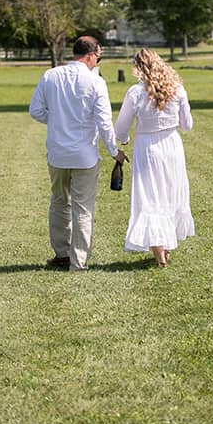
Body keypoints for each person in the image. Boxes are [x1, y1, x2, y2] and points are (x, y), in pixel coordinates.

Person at [29, 36, 127, 271]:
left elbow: (36, 111)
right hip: (84, 155)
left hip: (57, 152)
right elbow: (104, 123)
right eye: (98, 56)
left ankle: (62, 253)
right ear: (91, 55)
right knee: (82, 208)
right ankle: (78, 261)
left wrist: (57, 122)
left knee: (59, 203)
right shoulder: (95, 82)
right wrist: (114, 151)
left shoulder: (50, 76)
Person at [114, 49, 195, 268]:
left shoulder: (135, 93)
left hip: (147, 147)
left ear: (138, 67)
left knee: (150, 197)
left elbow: (121, 127)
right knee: (170, 194)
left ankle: (160, 255)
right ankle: (164, 249)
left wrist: (123, 139)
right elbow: (187, 125)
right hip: (172, 145)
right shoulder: (177, 90)